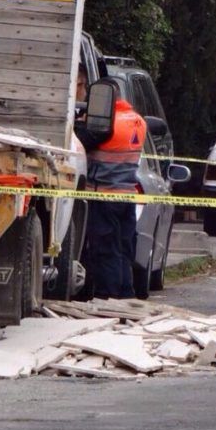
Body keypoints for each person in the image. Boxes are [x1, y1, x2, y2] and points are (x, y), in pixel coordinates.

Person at [76, 91, 147, 298]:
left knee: (106, 250)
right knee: (124, 248)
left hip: (104, 195)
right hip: (127, 195)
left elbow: (82, 141)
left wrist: (80, 123)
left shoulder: (105, 122)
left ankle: (109, 296)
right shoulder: (138, 121)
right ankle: (126, 294)